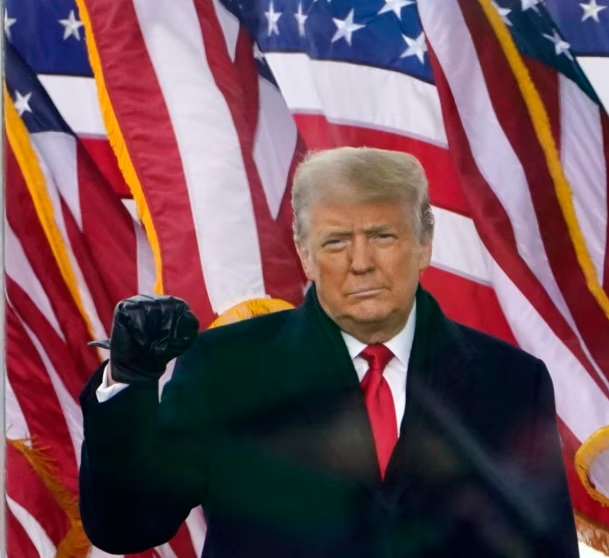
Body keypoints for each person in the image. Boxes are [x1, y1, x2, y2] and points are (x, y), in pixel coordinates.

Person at [78, 147, 579, 557]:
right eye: (337, 241)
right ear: (304, 253)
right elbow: (126, 525)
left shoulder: (510, 379)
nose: (361, 263)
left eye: (383, 236)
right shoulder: (225, 368)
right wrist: (130, 379)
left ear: (425, 244)